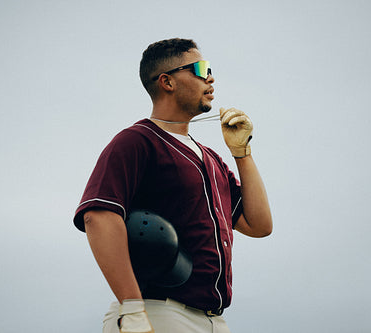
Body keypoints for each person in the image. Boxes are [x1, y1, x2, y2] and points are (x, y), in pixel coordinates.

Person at [73, 38, 272, 333]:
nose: (210, 77)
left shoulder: (212, 158)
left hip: (214, 320)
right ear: (167, 82)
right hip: (157, 311)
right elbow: (98, 216)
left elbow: (259, 225)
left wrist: (242, 154)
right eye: (200, 68)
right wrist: (132, 309)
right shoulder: (136, 141)